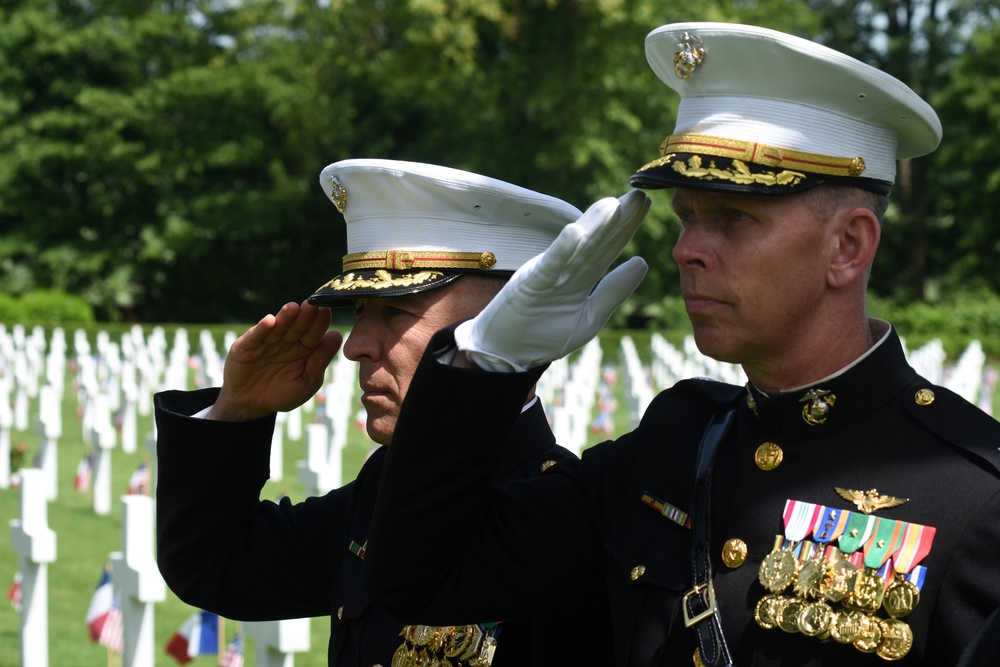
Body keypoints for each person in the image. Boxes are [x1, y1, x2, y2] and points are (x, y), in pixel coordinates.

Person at [362, 23, 1000, 667]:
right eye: (687, 217)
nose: (686, 250)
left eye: (734, 218)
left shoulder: (973, 498)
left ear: (848, 246)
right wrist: (486, 363)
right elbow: (420, 578)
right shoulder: (674, 444)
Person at [154, 158, 639, 666]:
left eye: (397, 311)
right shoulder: (381, 489)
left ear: (513, 320)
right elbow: (215, 565)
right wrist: (237, 412)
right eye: (360, 312)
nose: (356, 346)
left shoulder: (560, 511)